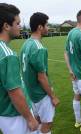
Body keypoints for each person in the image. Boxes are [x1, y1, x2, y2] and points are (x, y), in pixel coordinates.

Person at [0, 3, 38, 134]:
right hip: (15, 115)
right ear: (6, 26)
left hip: (4, 113)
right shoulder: (7, 55)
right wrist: (30, 118)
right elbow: (14, 92)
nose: (20, 26)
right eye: (17, 23)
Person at [20, 12, 59, 134]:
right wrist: (53, 96)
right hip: (41, 94)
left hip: (31, 94)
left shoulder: (25, 44)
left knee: (38, 122)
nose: (48, 28)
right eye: (47, 25)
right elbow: (41, 77)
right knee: (47, 125)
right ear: (40, 27)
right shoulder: (39, 48)